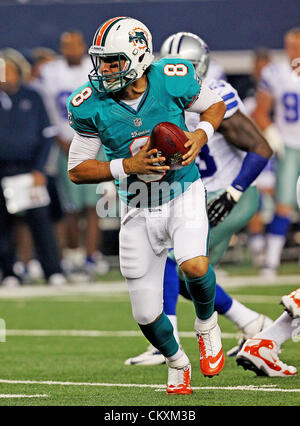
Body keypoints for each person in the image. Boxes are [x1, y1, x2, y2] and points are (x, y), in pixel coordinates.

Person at [67, 16, 227, 395]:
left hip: (183, 191)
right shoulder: (92, 104)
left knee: (194, 264)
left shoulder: (171, 76)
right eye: (101, 61)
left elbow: (214, 105)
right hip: (136, 205)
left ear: (139, 56)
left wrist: (199, 137)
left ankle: (206, 324)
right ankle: (176, 361)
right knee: (144, 313)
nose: (103, 69)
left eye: (113, 61)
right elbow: (76, 169)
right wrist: (128, 166)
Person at [125, 32, 273, 366]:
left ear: (201, 67)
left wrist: (234, 192)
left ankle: (169, 341)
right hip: (193, 198)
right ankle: (251, 323)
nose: (179, 76)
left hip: (227, 195)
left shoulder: (216, 96)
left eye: (188, 68)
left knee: (172, 261)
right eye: (173, 68)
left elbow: (262, 148)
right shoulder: (156, 100)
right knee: (183, 272)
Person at [38, 30, 108, 277]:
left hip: (95, 144)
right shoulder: (51, 72)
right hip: (64, 146)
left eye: (75, 44)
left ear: (84, 46)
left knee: (94, 206)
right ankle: (72, 254)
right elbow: (45, 110)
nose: (71, 49)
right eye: (66, 45)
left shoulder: (97, 69)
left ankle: (90, 255)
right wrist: (60, 139)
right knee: (70, 207)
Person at [0, 49, 65, 286]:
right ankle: (8, 271)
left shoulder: (33, 97)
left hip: (30, 171)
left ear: (18, 72)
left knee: (41, 222)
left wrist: (40, 169)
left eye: (6, 70)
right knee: (3, 225)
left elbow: (47, 136)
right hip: (1, 170)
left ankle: (52, 269)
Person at [252, 28, 300, 278]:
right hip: (289, 145)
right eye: (289, 46)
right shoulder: (276, 72)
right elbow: (260, 112)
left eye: (296, 46)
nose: (293, 51)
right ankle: (271, 262)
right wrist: (274, 136)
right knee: (283, 205)